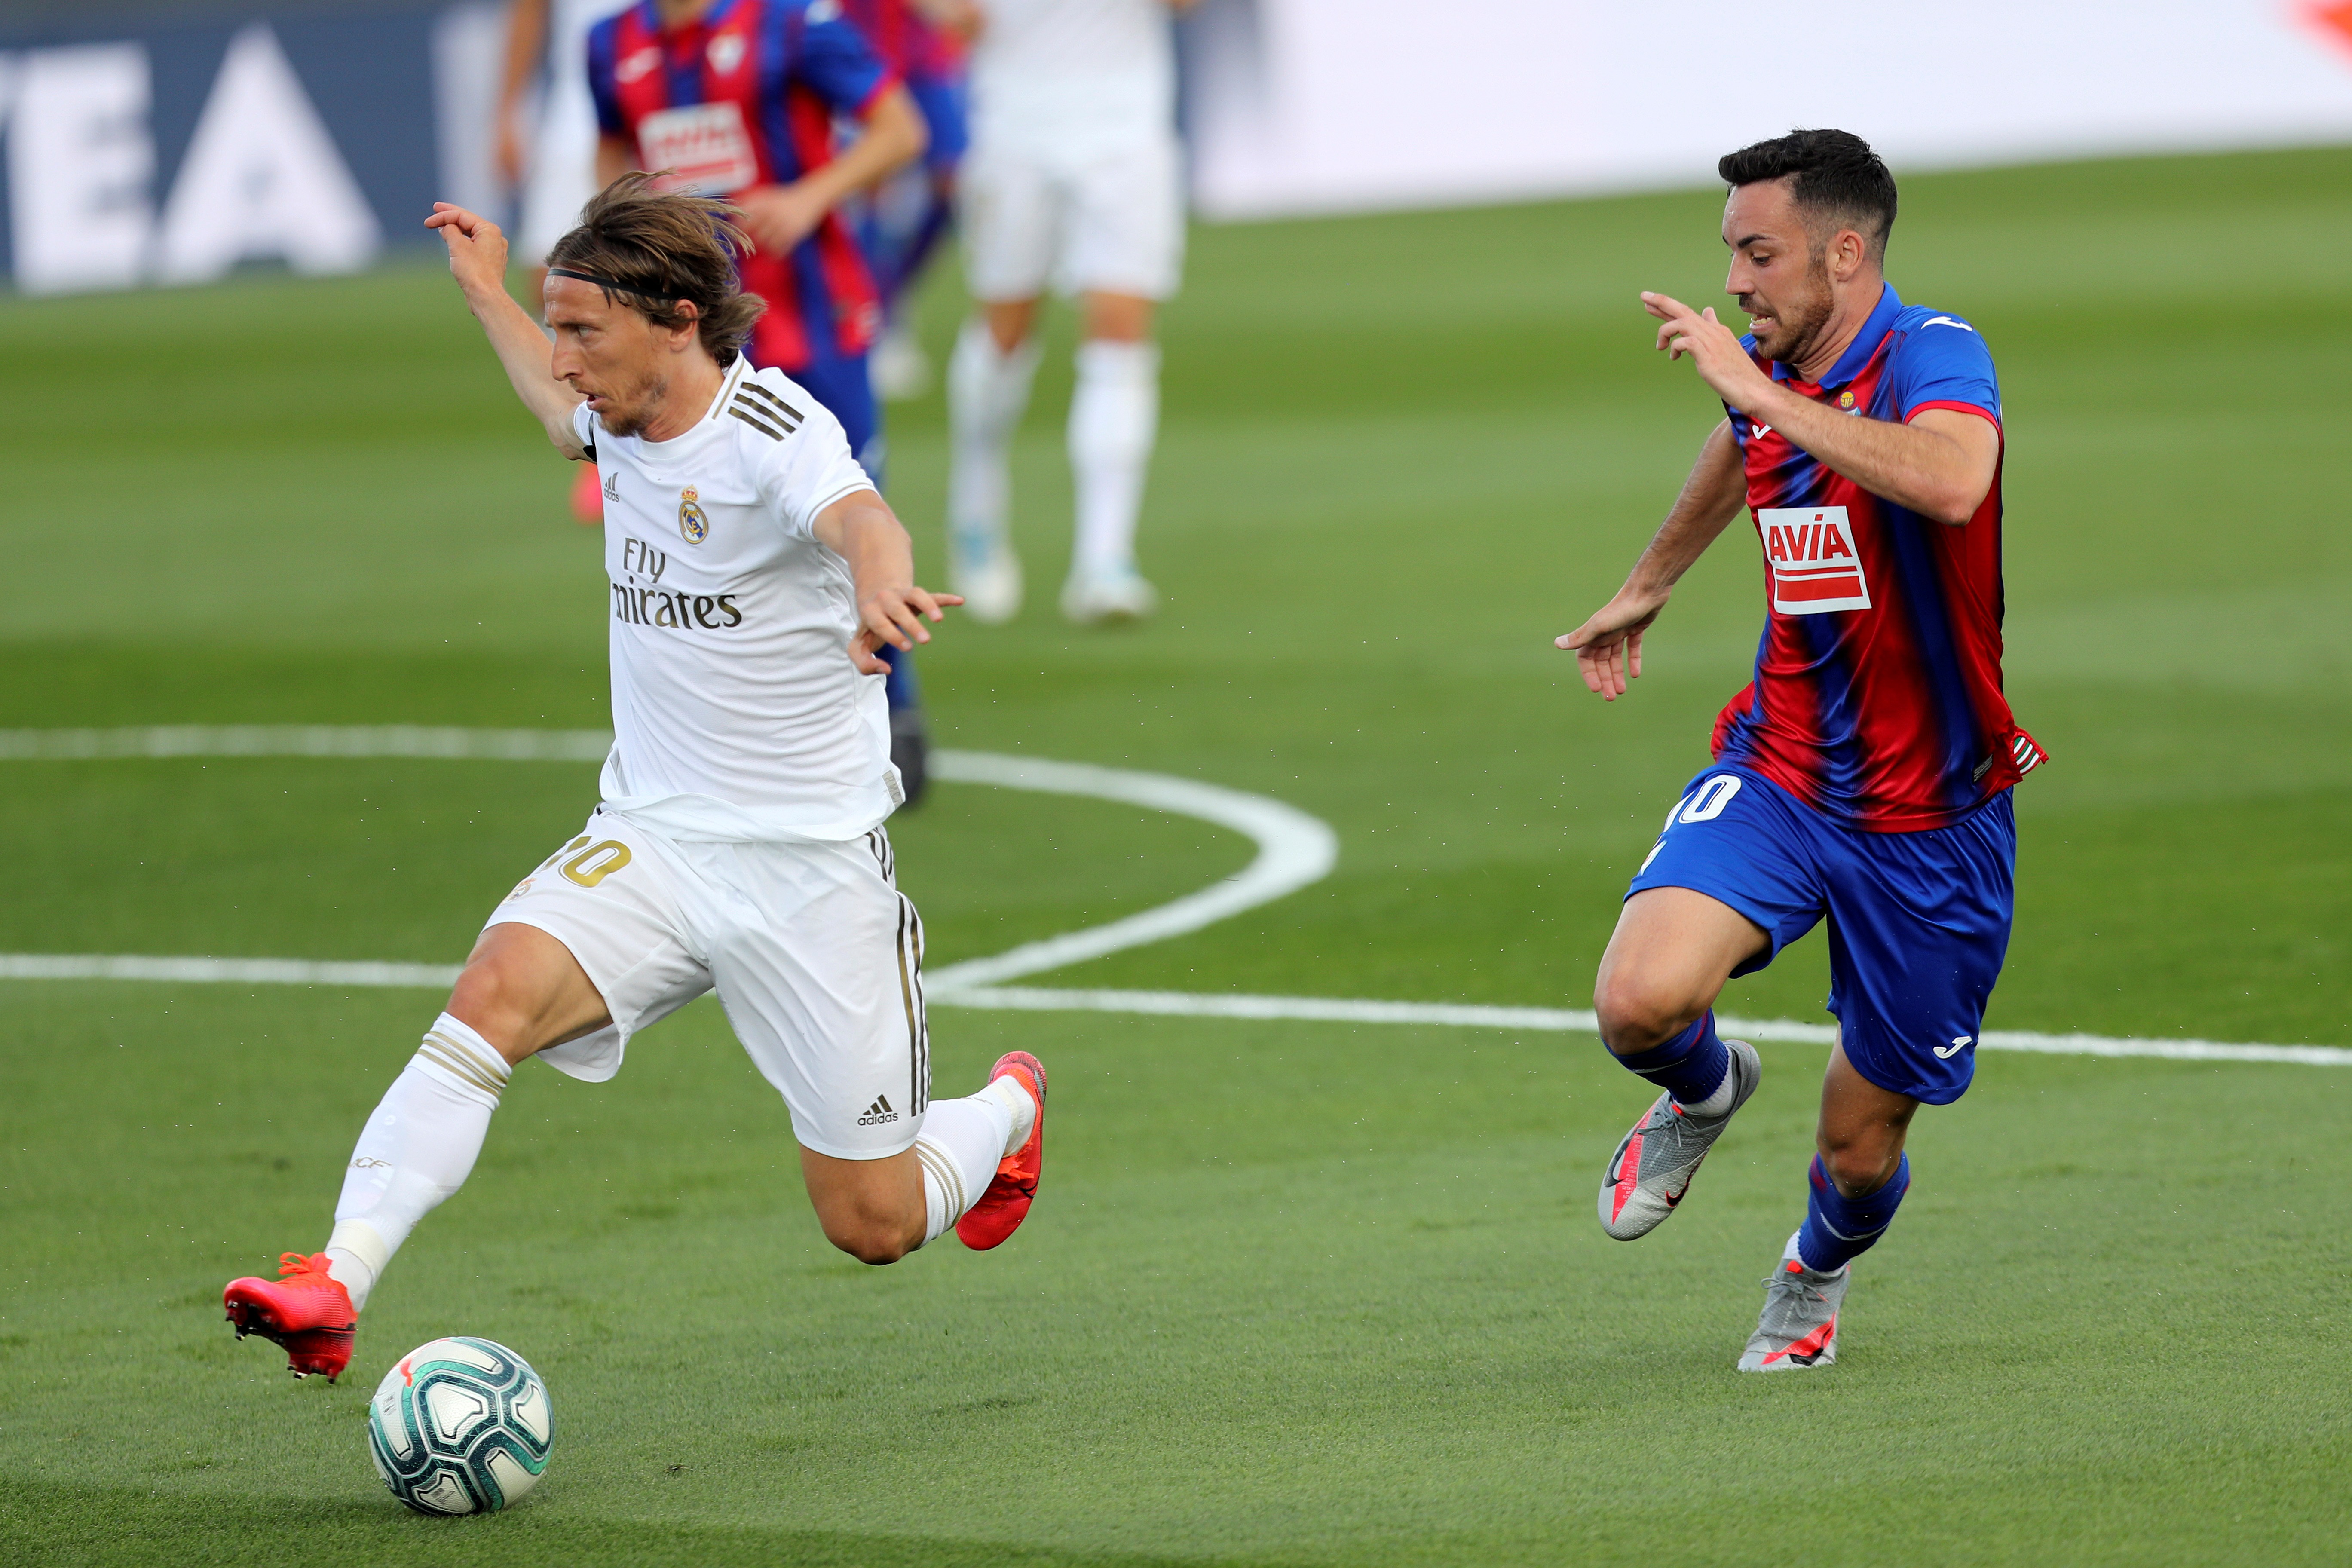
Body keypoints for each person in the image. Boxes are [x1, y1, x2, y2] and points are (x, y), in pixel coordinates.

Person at [222, 179, 1046, 1383]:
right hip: (655, 840)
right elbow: (555, 415)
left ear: (674, 320)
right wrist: (483, 292)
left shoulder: (774, 432)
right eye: (555, 330)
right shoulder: (612, 411)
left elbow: (864, 518)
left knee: (872, 1225)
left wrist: (879, 583)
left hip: (810, 872)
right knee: (494, 990)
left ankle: (1007, 1112)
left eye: (582, 333)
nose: (563, 362)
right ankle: (336, 1281)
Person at [1555, 129, 2044, 1372]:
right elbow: (1740, 438)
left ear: (1844, 250)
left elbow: (1950, 484)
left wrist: (1768, 392)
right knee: (1638, 1002)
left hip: (1933, 816)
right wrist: (1648, 583)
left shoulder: (1933, 353)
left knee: (1859, 1151)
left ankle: (1814, 1268)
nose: (1735, 284)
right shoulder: (1771, 366)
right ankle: (1706, 1089)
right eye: (1730, 254)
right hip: (1783, 765)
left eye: (1757, 254)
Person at [586, 0, 937, 797]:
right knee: (704, 521)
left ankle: (897, 717)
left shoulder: (794, 27)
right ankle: (727, 718)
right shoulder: (611, 45)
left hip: (816, 320)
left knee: (853, 509)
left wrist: (811, 197)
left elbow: (900, 130)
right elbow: (612, 148)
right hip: (686, 332)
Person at [925, 0, 1196, 625]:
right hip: (1014, 128)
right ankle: (977, 498)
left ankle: (1105, 560)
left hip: (1126, 131)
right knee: (1006, 331)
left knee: (1121, 334)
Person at [493, 0, 636, 524]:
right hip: (576, 108)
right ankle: (601, 433)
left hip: (657, 86)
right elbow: (529, 12)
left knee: (650, 276)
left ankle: (651, 430)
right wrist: (507, 110)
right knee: (552, 281)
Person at [842, 0, 970, 400]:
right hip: (859, 49)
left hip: (923, 59)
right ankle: (874, 320)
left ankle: (890, 296)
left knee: (955, 188)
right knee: (868, 190)